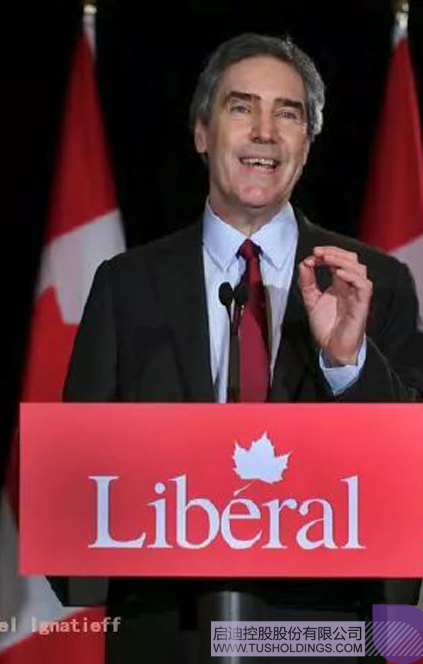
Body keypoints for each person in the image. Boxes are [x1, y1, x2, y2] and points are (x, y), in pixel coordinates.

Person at [63, 33, 423, 662]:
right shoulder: (126, 286)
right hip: (167, 638)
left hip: (322, 638)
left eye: (288, 114)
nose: (264, 132)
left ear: (306, 144)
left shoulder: (373, 282)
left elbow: (409, 482)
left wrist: (347, 364)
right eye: (241, 107)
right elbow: (74, 486)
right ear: (202, 133)